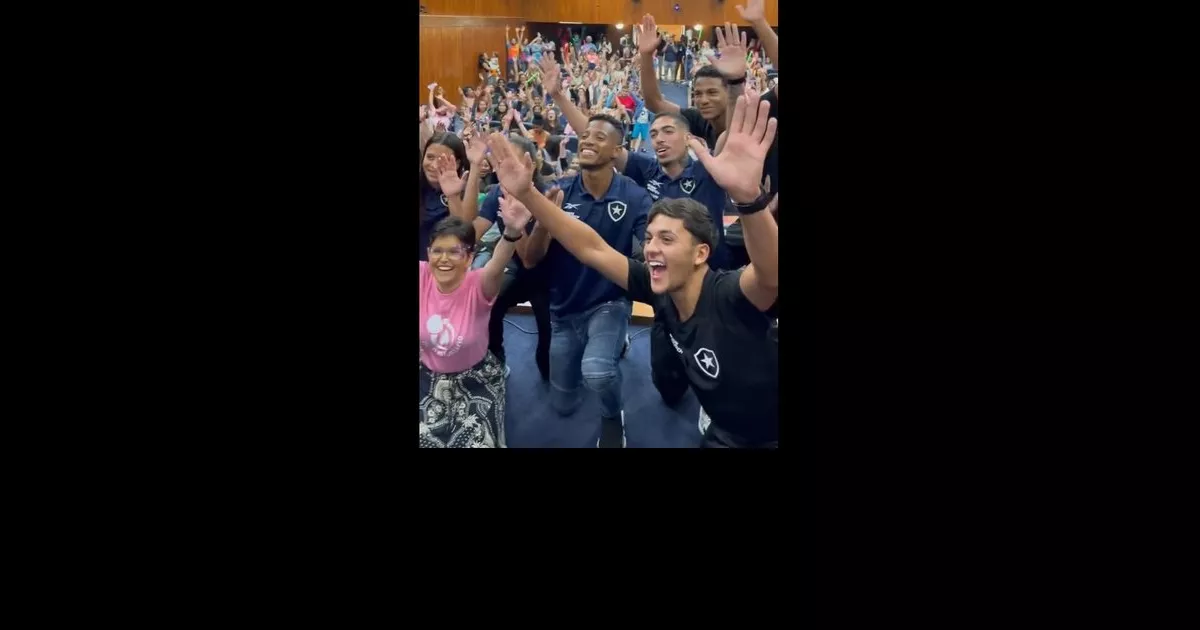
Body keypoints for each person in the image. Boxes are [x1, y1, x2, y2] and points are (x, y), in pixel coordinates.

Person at [484, 90, 779, 448]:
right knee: (660, 390)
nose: (652, 247)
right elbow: (591, 246)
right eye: (650, 238)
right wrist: (529, 194)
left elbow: (771, 274)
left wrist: (749, 199)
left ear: (702, 253)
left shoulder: (729, 294)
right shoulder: (656, 287)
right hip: (724, 427)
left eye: (667, 240)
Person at [508, 109, 652, 448]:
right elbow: (530, 258)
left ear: (618, 151)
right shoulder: (558, 191)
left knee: (599, 373)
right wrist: (547, 218)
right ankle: (612, 346)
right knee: (563, 403)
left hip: (609, 302)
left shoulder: (635, 196)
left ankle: (612, 415)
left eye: (600, 137)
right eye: (586, 135)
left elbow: (649, 248)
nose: (587, 140)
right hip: (563, 309)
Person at [419, 198, 534, 448]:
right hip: (426, 377)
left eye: (454, 252)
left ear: (469, 258)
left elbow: (497, 264)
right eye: (437, 251)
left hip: (477, 378)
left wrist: (512, 232)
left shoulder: (479, 283)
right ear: (429, 254)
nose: (444, 259)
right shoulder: (422, 276)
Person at [461, 135, 556, 382]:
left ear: (530, 164)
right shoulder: (497, 193)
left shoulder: (548, 195)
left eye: (510, 159)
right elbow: (471, 231)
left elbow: (530, 258)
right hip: (515, 269)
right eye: (500, 160)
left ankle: (548, 371)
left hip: (549, 274)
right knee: (489, 304)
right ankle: (496, 358)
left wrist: (517, 218)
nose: (505, 166)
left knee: (548, 332)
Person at [419, 131, 476, 260]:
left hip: (443, 266)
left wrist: (453, 196)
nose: (434, 165)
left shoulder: (462, 189)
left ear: (457, 163)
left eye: (442, 160)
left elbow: (463, 233)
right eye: (430, 157)